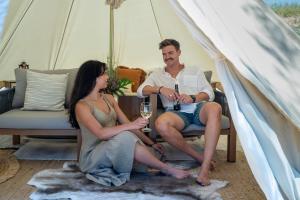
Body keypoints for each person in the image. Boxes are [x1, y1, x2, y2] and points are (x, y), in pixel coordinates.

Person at [69, 60, 189, 187]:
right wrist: (131, 125)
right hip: (93, 157)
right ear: (92, 78)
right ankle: (167, 169)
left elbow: (127, 123)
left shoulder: (108, 98)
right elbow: (101, 133)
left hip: (112, 146)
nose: (107, 77)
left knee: (147, 151)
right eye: (103, 74)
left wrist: (151, 143)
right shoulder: (82, 106)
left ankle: (153, 163)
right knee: (126, 137)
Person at [137, 39, 221, 186]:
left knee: (215, 107)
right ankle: (198, 157)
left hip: (198, 108)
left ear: (179, 52)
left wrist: (193, 97)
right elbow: (140, 91)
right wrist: (160, 88)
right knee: (161, 124)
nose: (167, 56)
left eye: (171, 53)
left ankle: (204, 169)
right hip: (176, 114)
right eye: (164, 54)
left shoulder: (194, 70)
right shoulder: (156, 74)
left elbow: (209, 92)